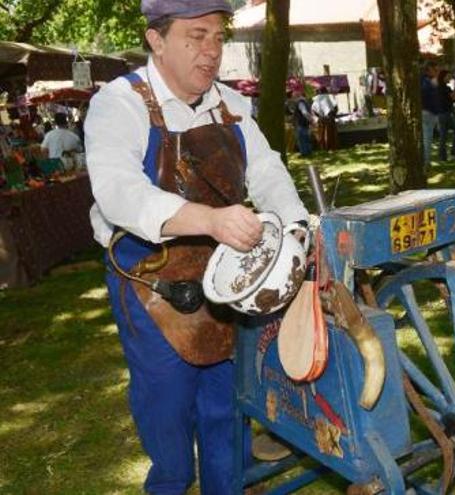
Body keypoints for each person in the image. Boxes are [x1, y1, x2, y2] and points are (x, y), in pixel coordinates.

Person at [85, 1, 310, 493]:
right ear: (156, 40)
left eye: (217, 36)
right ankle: (169, 481)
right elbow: (119, 191)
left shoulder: (231, 106)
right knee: (165, 406)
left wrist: (298, 233)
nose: (211, 50)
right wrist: (208, 220)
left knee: (226, 408)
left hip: (227, 282)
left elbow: (269, 175)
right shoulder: (119, 104)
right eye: (196, 35)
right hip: (152, 282)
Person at [437, 70, 455, 161]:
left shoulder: (437, 87)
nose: (450, 78)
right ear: (443, 77)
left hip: (439, 113)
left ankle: (442, 156)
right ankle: (454, 152)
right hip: (448, 112)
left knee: (443, 135)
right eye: (448, 76)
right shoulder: (447, 88)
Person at [421, 60, 443, 166]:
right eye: (435, 70)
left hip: (430, 112)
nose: (437, 72)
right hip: (428, 112)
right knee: (427, 138)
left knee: (427, 137)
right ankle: (425, 161)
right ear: (429, 69)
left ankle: (425, 160)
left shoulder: (427, 80)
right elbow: (428, 95)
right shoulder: (426, 81)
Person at [287, 84, 313, 156]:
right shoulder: (304, 101)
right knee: (306, 139)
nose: (292, 97)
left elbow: (304, 112)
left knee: (302, 139)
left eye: (293, 95)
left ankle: (305, 154)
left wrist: (311, 119)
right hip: (305, 123)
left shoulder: (300, 102)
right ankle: (308, 153)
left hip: (301, 123)